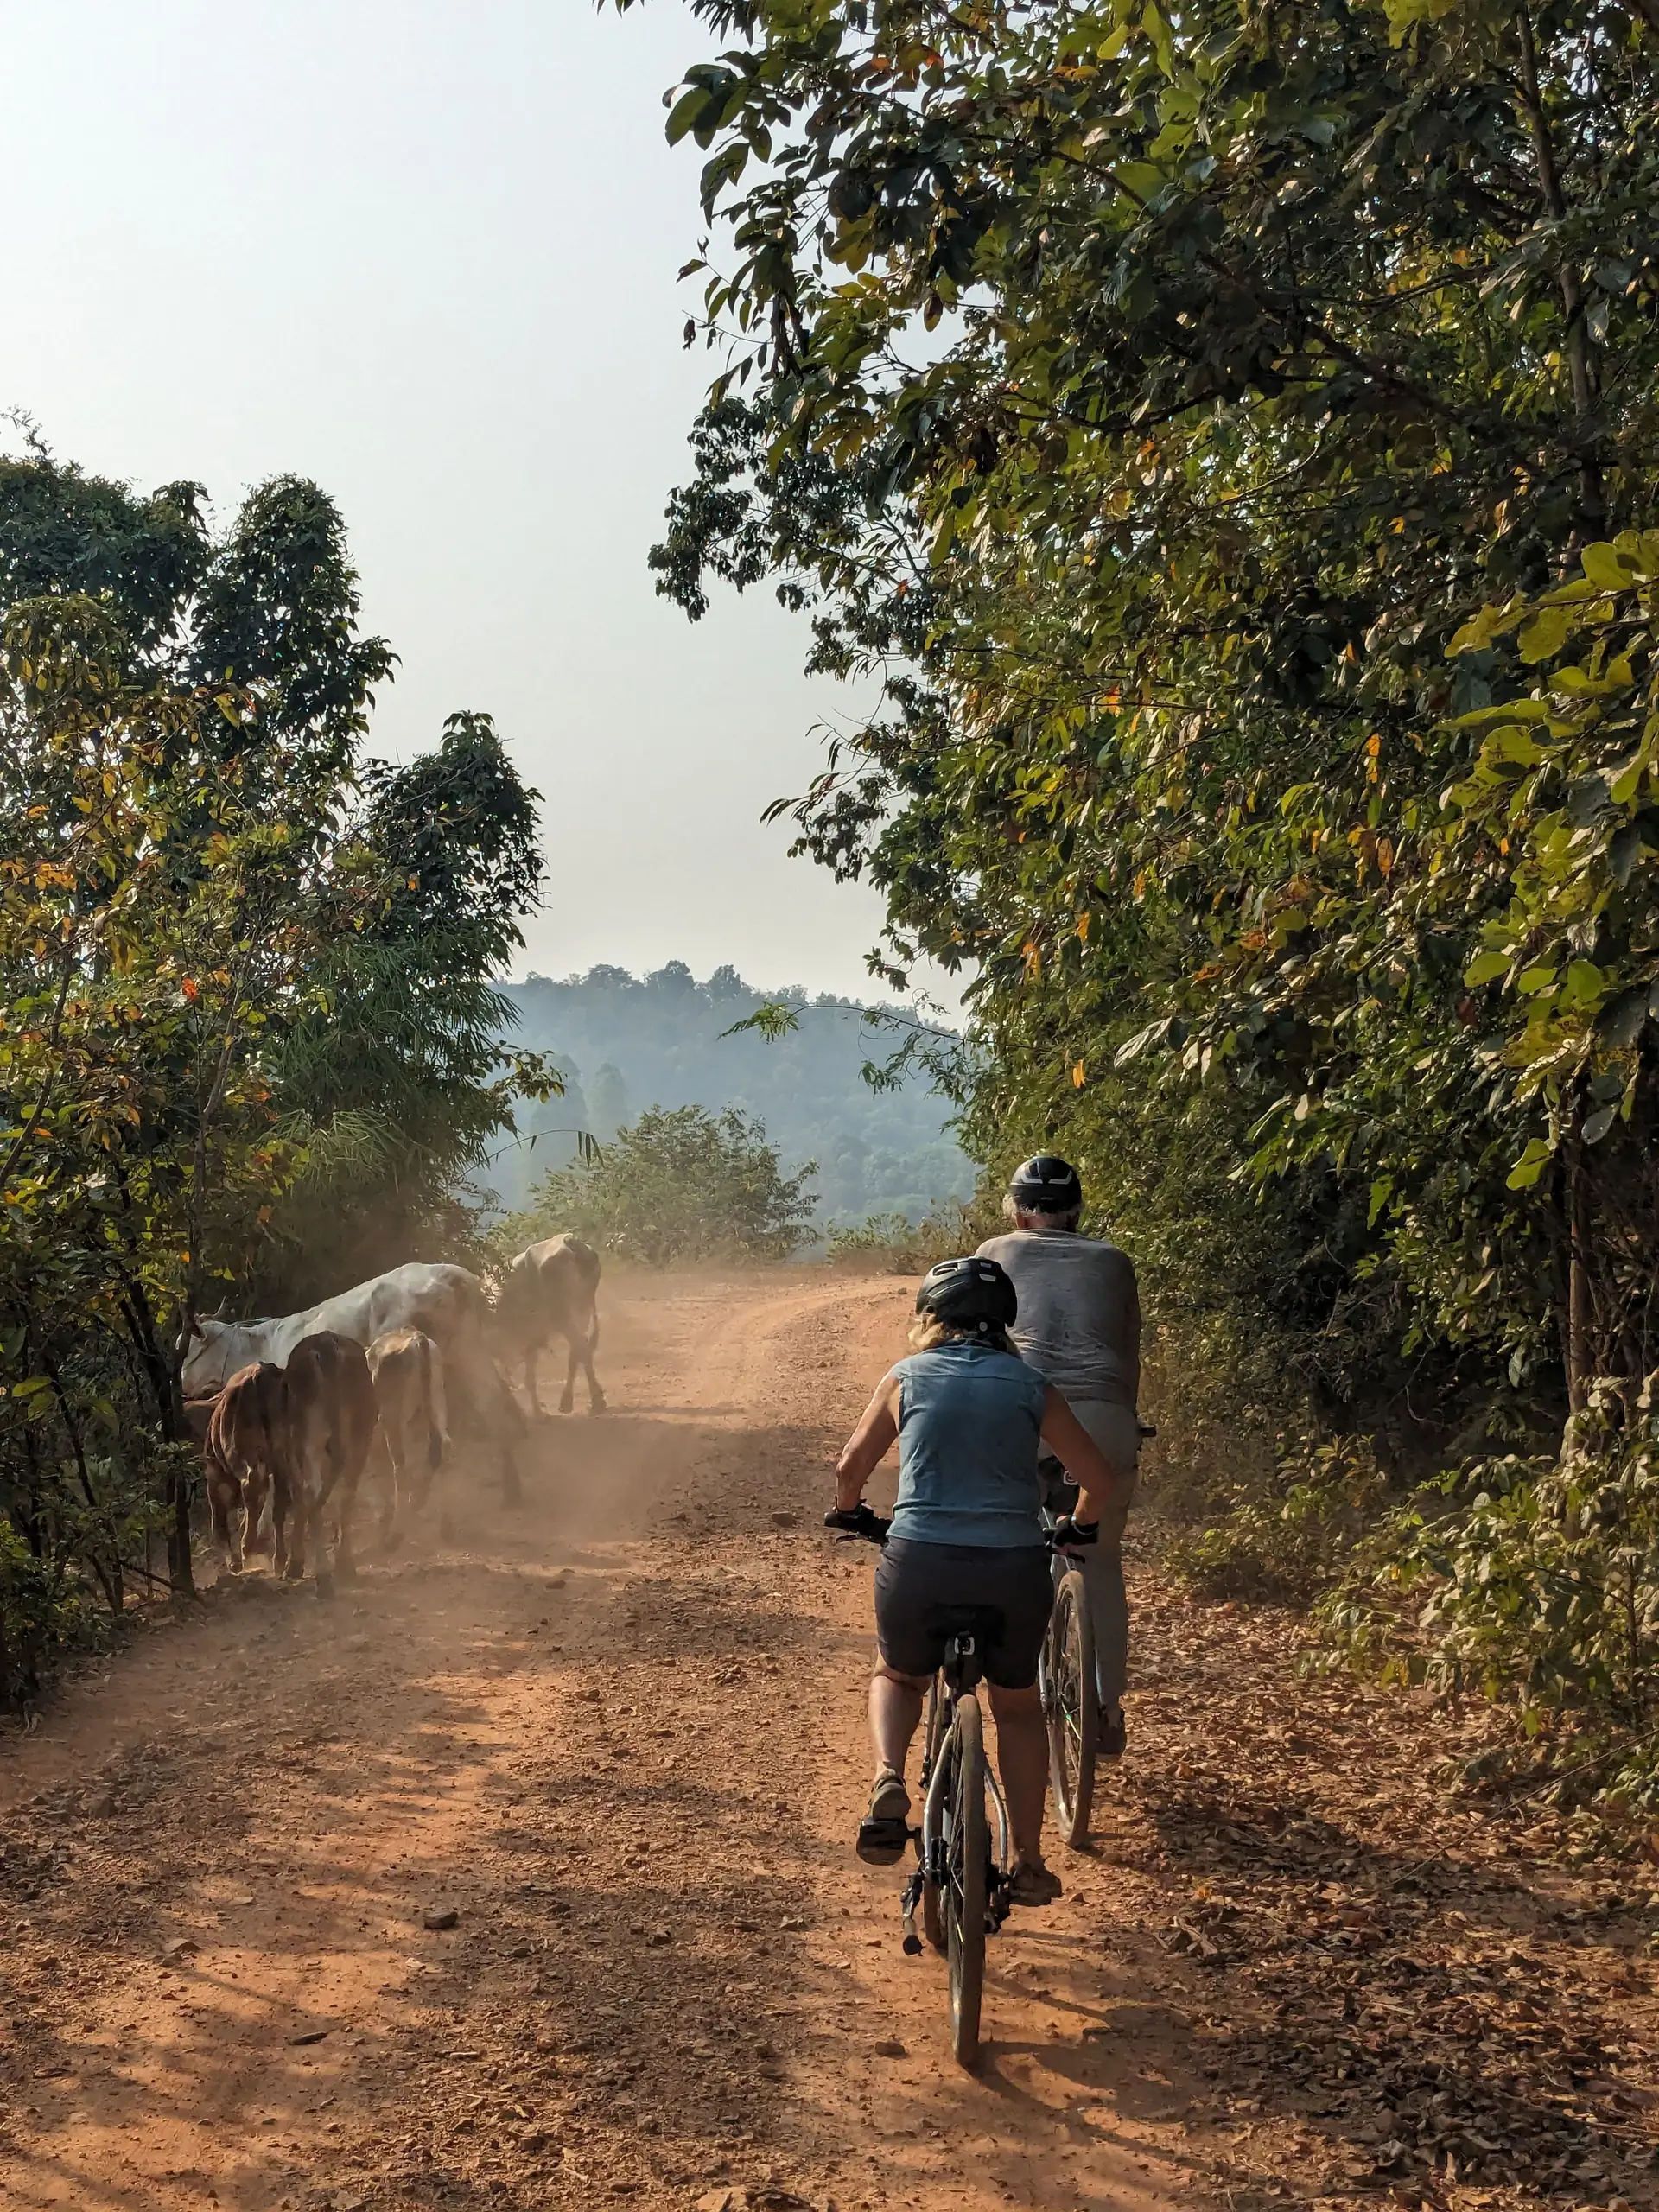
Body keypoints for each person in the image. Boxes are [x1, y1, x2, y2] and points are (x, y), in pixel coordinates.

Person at [830, 1255, 1121, 1907]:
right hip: (1012, 1571)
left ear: (929, 1320)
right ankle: (1028, 1860)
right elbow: (1098, 1482)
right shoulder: (1030, 1384)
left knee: (899, 1675)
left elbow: (850, 1468)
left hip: (920, 1566)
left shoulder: (904, 1377)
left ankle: (886, 1775)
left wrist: (851, 1512)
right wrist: (1078, 1526)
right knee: (1017, 1709)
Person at [976, 1156, 1141, 1760]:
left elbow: (981, 1342)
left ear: (1017, 1211)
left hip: (1022, 1411)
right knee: (1101, 1560)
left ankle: (1007, 1680)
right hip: (1103, 1420)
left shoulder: (995, 1251)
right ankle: (1106, 1706)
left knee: (1008, 1544)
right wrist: (1124, 1421)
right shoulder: (1115, 1262)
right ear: (1077, 1212)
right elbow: (1127, 1356)